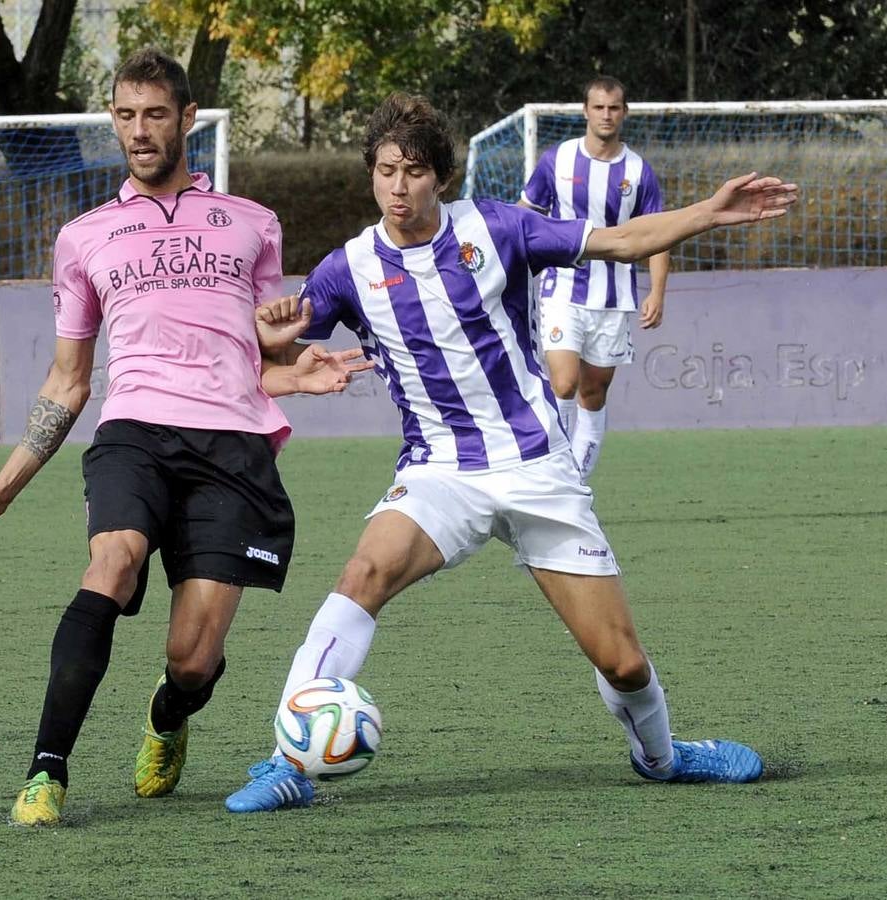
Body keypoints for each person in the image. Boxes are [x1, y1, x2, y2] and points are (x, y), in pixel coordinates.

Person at [224, 91, 796, 813]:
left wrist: (705, 213)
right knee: (363, 570)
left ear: (441, 177)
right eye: (385, 171)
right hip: (438, 472)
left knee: (620, 660)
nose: (398, 188)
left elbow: (614, 242)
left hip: (534, 465)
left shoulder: (498, 227)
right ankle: (288, 760)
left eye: (414, 172)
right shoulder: (348, 268)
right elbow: (268, 344)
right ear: (370, 175)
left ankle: (662, 756)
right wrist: (271, 323)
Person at [0, 48, 370, 827]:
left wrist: (298, 368)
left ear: (187, 119)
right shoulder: (84, 237)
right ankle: (45, 773)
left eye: (154, 115)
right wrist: (2, 488)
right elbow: (68, 381)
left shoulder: (252, 225)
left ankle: (169, 715)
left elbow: (257, 355)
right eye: (125, 116)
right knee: (113, 562)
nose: (139, 131)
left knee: (192, 659)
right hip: (133, 432)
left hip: (233, 447)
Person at [518, 76, 669, 478]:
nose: (606, 115)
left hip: (614, 297)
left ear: (624, 113)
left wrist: (657, 290)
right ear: (585, 111)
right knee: (563, 383)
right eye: (599, 107)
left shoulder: (638, 171)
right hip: (560, 290)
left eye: (614, 107)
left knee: (593, 391)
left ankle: (577, 482)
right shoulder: (558, 160)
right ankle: (554, 473)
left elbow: (656, 234)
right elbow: (526, 214)